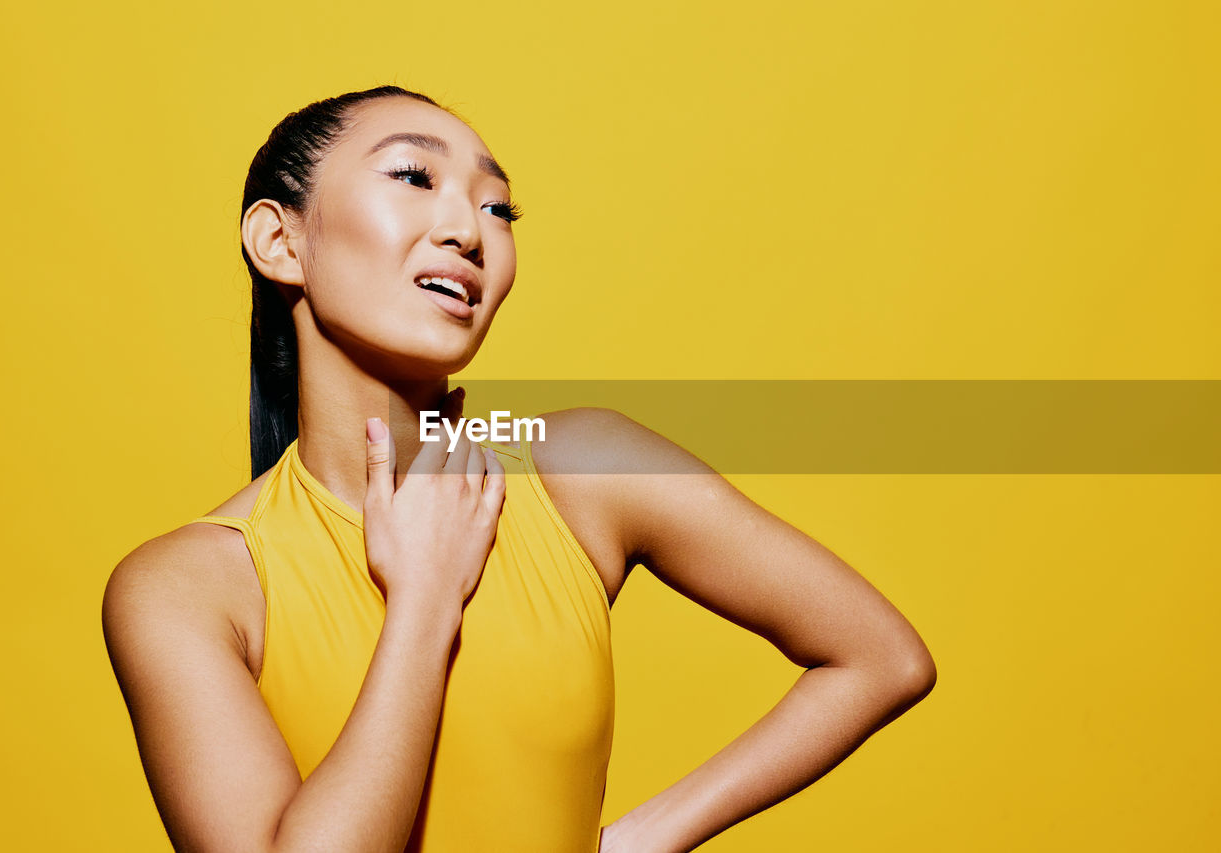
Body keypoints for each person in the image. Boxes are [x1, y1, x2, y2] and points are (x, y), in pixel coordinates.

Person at [102, 85, 937, 853]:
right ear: (280, 241)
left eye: (497, 206)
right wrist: (425, 599)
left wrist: (641, 838)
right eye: (412, 175)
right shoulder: (187, 586)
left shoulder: (578, 471)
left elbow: (881, 657)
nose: (468, 228)